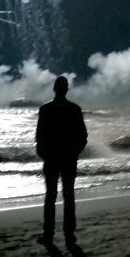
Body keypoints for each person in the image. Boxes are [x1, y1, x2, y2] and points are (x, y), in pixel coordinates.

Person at [35, 76, 88, 249]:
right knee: (68, 196)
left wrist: (44, 154)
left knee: (50, 196)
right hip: (69, 158)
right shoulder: (74, 109)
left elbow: (39, 137)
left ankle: (48, 234)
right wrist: (74, 152)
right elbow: (83, 137)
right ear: (66, 89)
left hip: (51, 158)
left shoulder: (45, 109)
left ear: (54, 89)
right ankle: (69, 235)